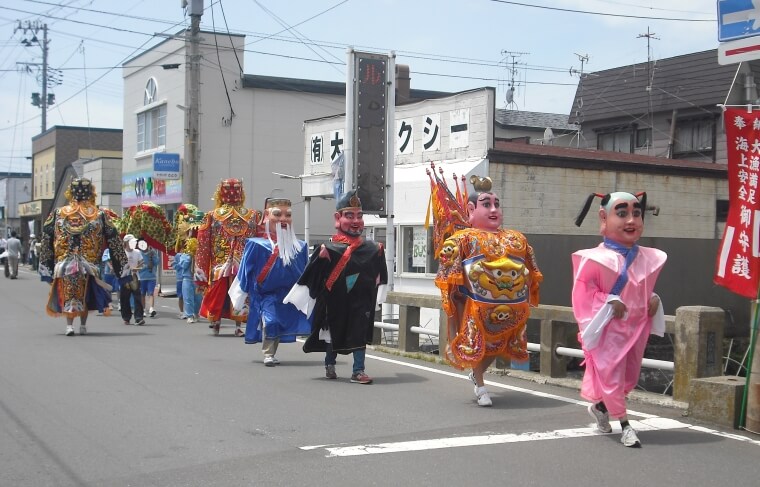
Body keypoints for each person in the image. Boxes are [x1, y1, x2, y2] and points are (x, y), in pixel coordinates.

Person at [431, 172, 542, 407]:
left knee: (499, 345)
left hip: (510, 306)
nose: (493, 210)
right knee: (476, 344)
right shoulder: (462, 239)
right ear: (471, 210)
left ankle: (477, 374)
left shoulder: (516, 239)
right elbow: (447, 273)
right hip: (474, 305)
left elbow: (530, 270)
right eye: (486, 204)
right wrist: (456, 299)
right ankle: (481, 386)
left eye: (496, 205)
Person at [572, 191, 667, 448]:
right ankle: (625, 425)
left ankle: (601, 408)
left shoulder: (646, 257)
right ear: (604, 217)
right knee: (611, 375)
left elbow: (640, 288)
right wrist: (608, 300)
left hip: (635, 328)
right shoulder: (593, 258)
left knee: (629, 378)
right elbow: (583, 293)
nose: (631, 220)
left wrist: (653, 297)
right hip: (609, 330)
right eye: (622, 213)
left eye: (636, 213)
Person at [284, 190, 388, 384]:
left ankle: (358, 371)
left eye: (359, 216)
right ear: (338, 218)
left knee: (359, 333)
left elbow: (380, 277)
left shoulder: (373, 249)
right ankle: (330, 363)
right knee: (333, 333)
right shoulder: (328, 249)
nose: (356, 221)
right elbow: (312, 275)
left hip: (361, 302)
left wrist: (379, 295)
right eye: (350, 216)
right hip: (334, 302)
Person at [39, 178, 128, 336]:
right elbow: (114, 241)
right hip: (89, 265)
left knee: (71, 294)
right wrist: (122, 270)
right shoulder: (99, 215)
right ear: (92, 192)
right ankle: (82, 325)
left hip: (66, 264)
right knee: (86, 294)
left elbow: (46, 238)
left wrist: (46, 266)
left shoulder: (58, 213)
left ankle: (70, 326)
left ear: (70, 192)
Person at [232, 197, 311, 366]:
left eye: (288, 215)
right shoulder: (256, 245)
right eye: (277, 214)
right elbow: (245, 269)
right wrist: (242, 292)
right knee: (271, 321)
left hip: (288, 295)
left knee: (281, 323)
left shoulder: (300, 247)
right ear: (267, 216)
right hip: (265, 294)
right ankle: (268, 353)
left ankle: (272, 351)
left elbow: (305, 272)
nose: (283, 219)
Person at [195, 179, 261, 336]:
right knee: (236, 292)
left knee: (232, 292)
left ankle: (220, 323)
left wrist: (200, 276)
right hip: (232, 263)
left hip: (228, 263)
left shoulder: (213, 216)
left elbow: (202, 247)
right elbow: (203, 246)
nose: (232, 192)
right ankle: (233, 325)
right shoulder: (252, 216)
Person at [120, 234, 146, 326]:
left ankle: (138, 318)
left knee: (137, 298)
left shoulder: (137, 252)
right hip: (124, 278)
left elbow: (141, 263)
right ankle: (126, 317)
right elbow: (118, 265)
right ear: (126, 243)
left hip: (135, 277)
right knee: (125, 299)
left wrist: (137, 268)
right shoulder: (121, 253)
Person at [138, 242, 159, 317]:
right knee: (142, 294)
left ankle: (151, 308)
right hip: (141, 277)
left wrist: (153, 256)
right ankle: (143, 310)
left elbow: (157, 262)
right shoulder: (138, 253)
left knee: (151, 293)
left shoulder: (152, 252)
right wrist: (146, 266)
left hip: (151, 277)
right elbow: (137, 266)